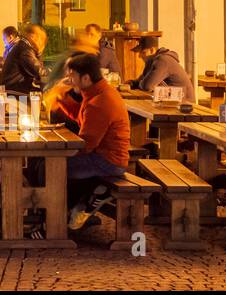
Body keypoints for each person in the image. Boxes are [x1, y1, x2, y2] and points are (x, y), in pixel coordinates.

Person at [63, 53, 131, 230]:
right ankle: (74, 210)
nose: (70, 81)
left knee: (53, 168)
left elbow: (86, 144)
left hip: (108, 161)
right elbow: (82, 118)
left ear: (85, 78)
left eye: (72, 76)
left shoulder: (100, 101)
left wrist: (61, 154)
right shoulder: (98, 92)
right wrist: (61, 98)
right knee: (51, 164)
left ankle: (60, 218)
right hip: (107, 156)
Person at [132, 36, 194, 101]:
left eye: (143, 52)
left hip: (185, 104)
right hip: (172, 100)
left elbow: (147, 86)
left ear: (152, 50)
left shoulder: (163, 61)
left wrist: (138, 84)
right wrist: (132, 83)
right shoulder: (153, 61)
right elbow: (143, 80)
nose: (139, 56)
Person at [0, 23, 46, 97]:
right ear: (32, 36)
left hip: (12, 88)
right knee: (46, 94)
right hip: (12, 90)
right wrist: (56, 76)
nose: (42, 42)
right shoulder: (24, 49)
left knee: (42, 92)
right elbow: (39, 71)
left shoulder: (23, 46)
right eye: (41, 38)